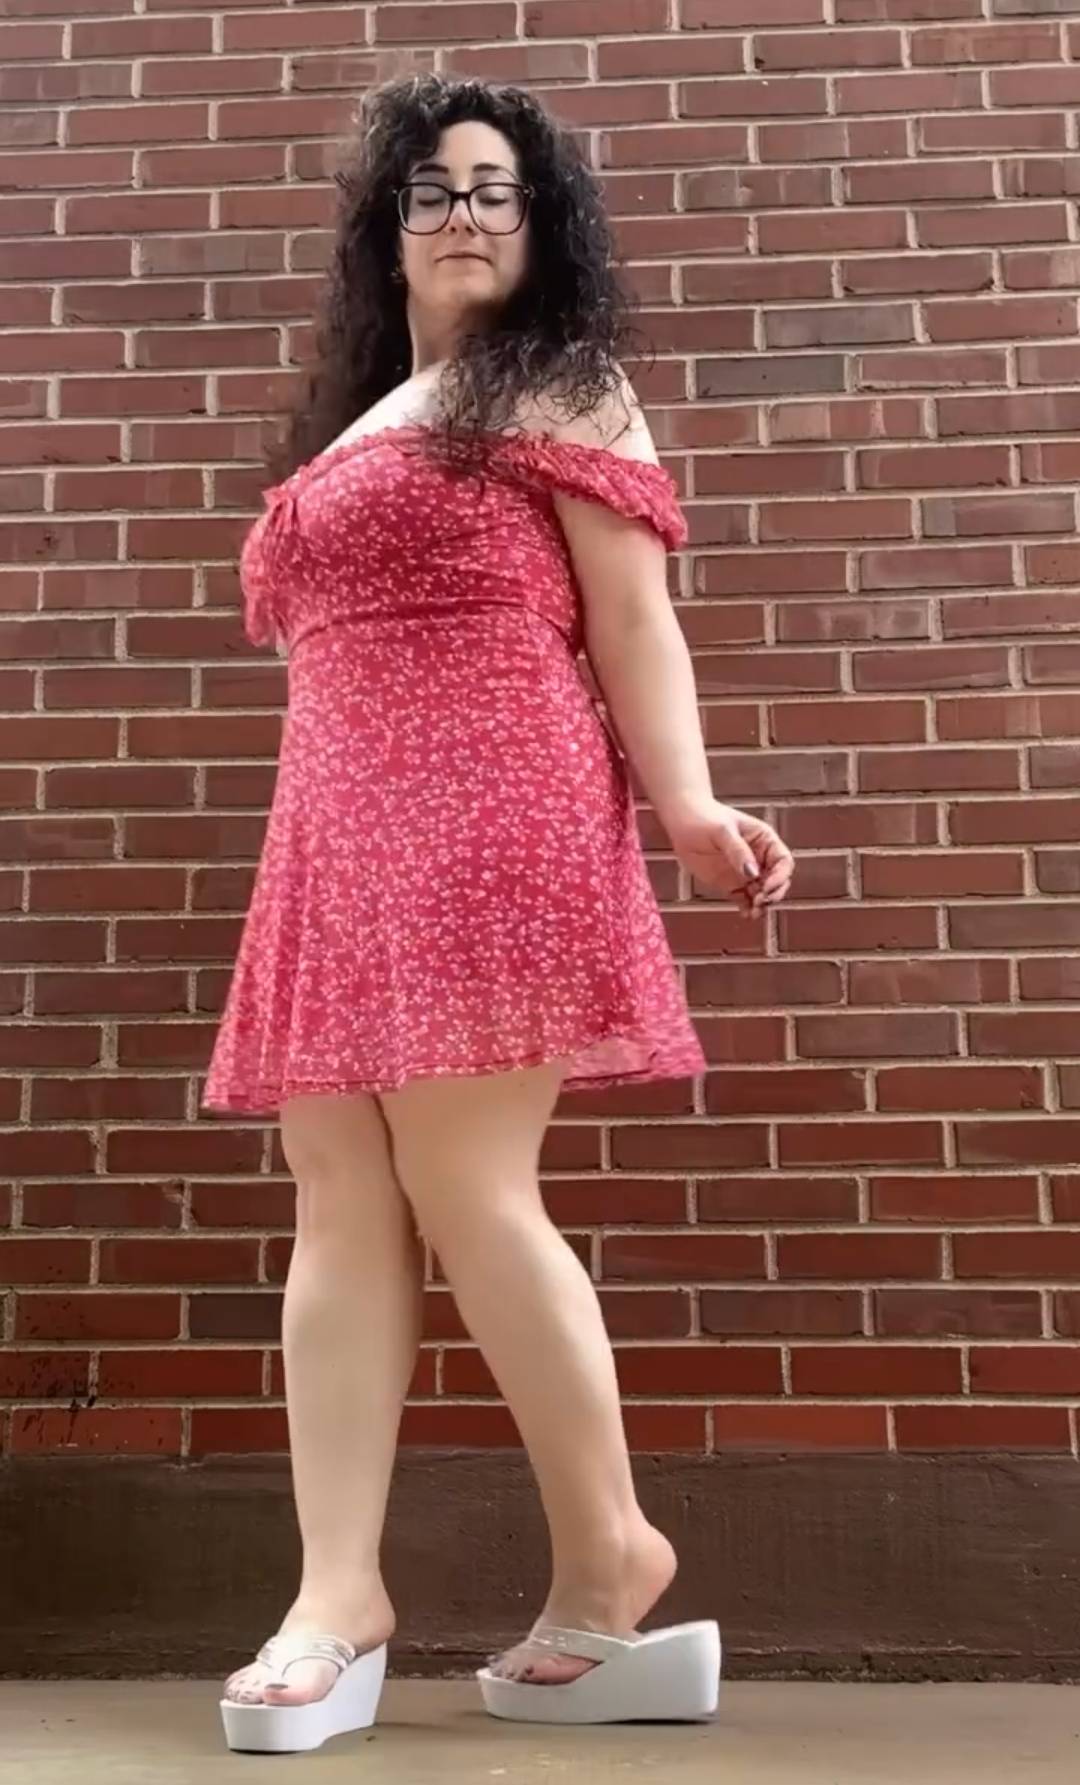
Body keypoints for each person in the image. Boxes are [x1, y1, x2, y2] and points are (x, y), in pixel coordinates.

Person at [203, 73, 795, 1753]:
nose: (463, 214)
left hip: (497, 801)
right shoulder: (364, 418)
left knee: (467, 1178)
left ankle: (609, 1555)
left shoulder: (565, 381)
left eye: (496, 190)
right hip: (338, 830)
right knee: (339, 1187)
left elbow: (634, 616)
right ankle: (338, 1592)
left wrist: (687, 805)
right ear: (386, 228)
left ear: (540, 229)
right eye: (432, 190)